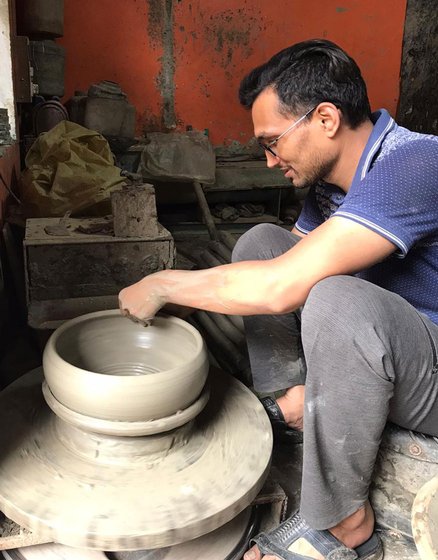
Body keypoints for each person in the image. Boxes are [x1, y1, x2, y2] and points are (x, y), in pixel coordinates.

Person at [118, 39, 438, 560]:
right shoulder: (332, 183)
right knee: (262, 241)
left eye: (272, 142)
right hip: (386, 344)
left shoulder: (417, 163)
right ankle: (295, 406)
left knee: (336, 299)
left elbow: (279, 287)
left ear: (326, 119)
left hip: (432, 363)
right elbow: (276, 263)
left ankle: (344, 525)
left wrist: (166, 283)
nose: (269, 162)